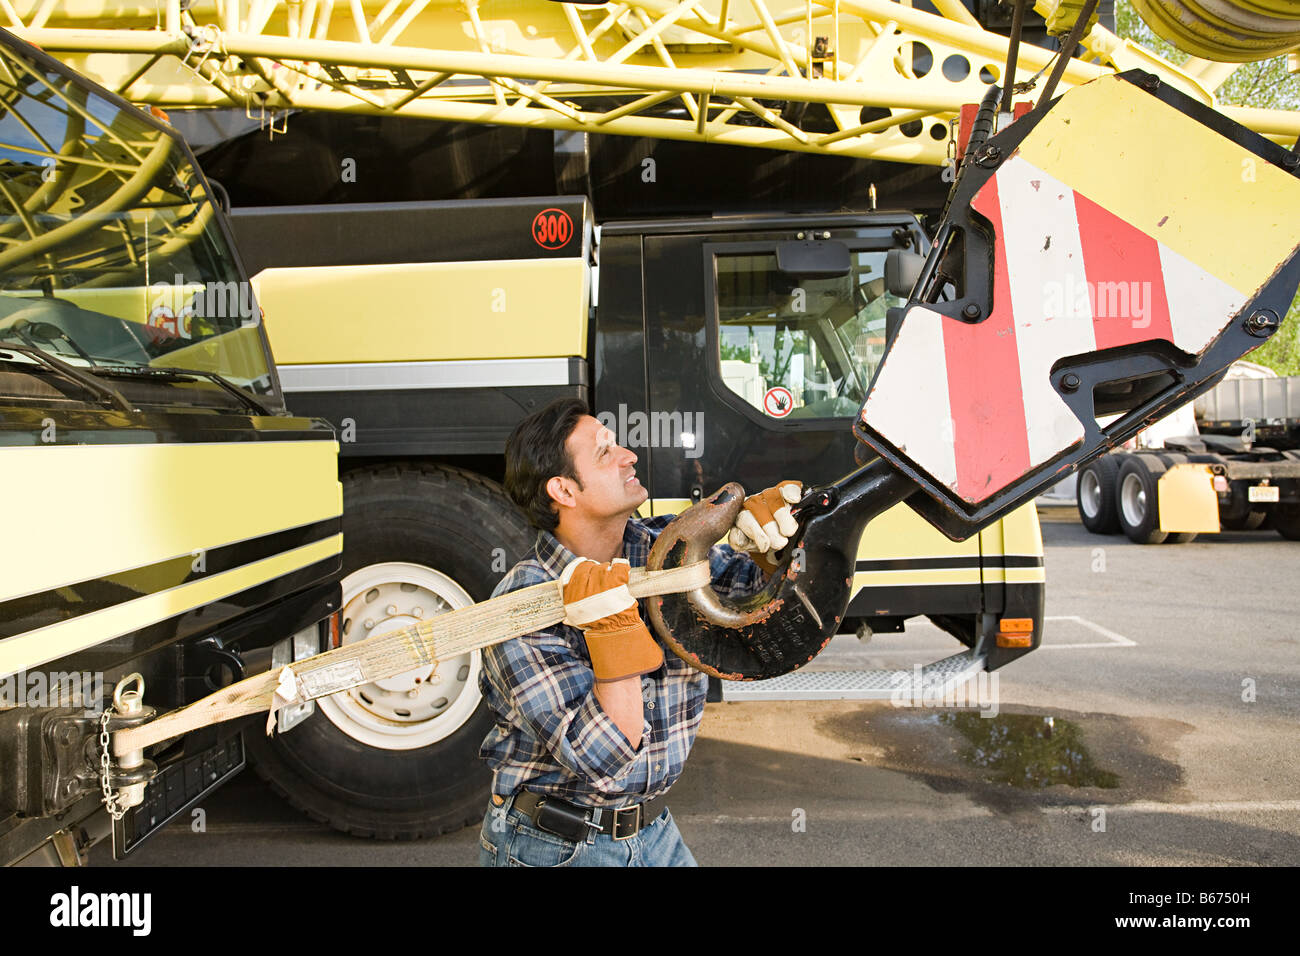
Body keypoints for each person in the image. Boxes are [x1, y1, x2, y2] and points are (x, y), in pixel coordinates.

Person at [477, 397, 801, 867]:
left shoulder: (665, 551)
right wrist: (613, 633)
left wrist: (779, 549)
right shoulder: (521, 608)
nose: (629, 455)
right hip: (554, 846)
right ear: (564, 490)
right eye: (605, 452)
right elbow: (603, 758)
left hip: (652, 832)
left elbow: (766, 612)